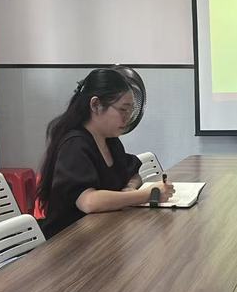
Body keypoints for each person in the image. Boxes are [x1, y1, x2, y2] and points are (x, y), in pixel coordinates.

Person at [37, 68, 173, 238]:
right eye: (123, 110)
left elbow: (133, 173)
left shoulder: (110, 140)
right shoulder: (75, 145)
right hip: (69, 241)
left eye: (130, 110)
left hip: (102, 233)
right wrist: (146, 195)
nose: (128, 117)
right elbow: (88, 201)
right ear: (96, 105)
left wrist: (129, 189)